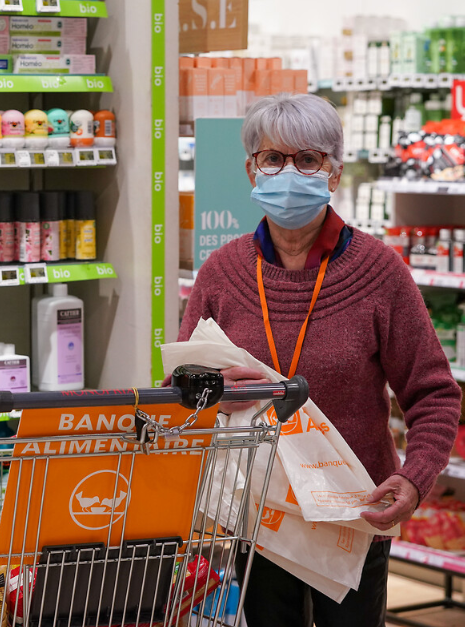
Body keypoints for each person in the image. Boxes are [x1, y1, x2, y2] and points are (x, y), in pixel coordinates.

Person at [177, 93, 461, 627]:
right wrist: (208, 385)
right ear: (251, 169)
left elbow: (434, 392)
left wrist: (417, 475)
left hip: (354, 509)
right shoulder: (223, 271)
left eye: (308, 159)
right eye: (273, 159)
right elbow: (180, 383)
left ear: (333, 173)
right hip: (259, 511)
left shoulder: (379, 272)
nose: (289, 172)